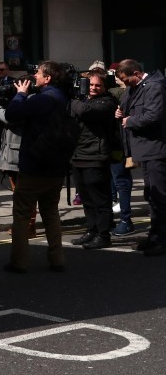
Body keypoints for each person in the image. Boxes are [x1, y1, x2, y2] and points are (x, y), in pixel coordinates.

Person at [3, 61, 70, 274]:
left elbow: (12, 115)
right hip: (56, 166)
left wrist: (21, 94)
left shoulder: (43, 99)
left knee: (21, 215)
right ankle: (57, 259)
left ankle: (19, 262)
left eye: (38, 73)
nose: (35, 76)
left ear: (48, 78)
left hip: (35, 166)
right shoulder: (62, 98)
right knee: (51, 213)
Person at [115, 59, 166, 257]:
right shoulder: (135, 87)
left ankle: (162, 239)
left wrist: (131, 120)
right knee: (151, 195)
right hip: (144, 149)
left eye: (126, 80)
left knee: (159, 196)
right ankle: (155, 237)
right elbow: (127, 105)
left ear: (136, 73)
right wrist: (121, 112)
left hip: (156, 149)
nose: (124, 84)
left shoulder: (154, 87)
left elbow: (154, 115)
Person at [68, 69, 118, 249]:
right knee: (87, 199)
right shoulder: (82, 101)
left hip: (96, 156)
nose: (94, 88)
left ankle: (104, 235)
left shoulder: (108, 102)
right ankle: (92, 230)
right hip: (78, 155)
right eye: (91, 85)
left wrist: (70, 99)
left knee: (100, 200)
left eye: (98, 85)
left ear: (105, 87)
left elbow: (85, 112)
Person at [0, 95, 36, 238]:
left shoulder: (30, 102)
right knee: (20, 196)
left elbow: (8, 117)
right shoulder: (22, 101)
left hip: (20, 158)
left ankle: (27, 227)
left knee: (24, 196)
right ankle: (25, 226)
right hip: (12, 157)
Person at [107, 62, 135, 236]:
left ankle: (126, 219)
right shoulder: (123, 93)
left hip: (121, 145)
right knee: (117, 180)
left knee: (121, 180)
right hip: (112, 145)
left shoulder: (123, 92)